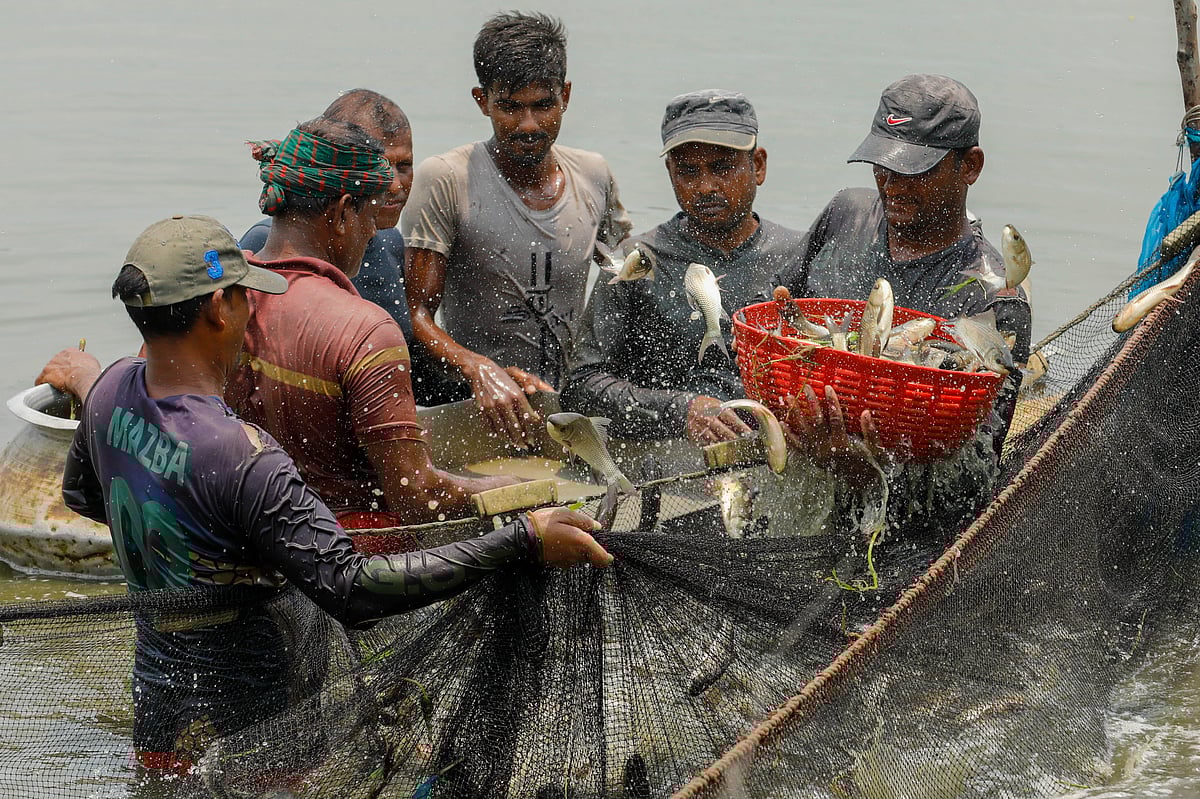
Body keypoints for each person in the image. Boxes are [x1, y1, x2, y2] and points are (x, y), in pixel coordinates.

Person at [59, 214, 611, 769]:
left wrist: (191, 541)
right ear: (215, 310)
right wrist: (522, 539)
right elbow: (352, 589)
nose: (252, 308)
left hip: (159, 708)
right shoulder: (243, 456)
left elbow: (83, 495)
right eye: (244, 297)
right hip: (258, 727)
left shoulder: (107, 392)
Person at [43, 117, 512, 528]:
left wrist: (89, 380)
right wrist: (517, 490)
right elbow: (417, 497)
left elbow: (153, 413)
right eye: (370, 216)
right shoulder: (365, 331)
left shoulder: (210, 299)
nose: (373, 232)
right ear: (343, 211)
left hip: (230, 545)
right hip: (344, 560)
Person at [780, 74, 1033, 537]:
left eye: (915, 170)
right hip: (804, 484)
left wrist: (863, 472)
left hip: (907, 539)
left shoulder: (993, 300)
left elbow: (972, 475)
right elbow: (773, 318)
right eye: (882, 166)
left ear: (970, 166)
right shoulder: (844, 215)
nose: (891, 186)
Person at [402, 11, 632, 449]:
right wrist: (478, 370)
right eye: (510, 107)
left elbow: (622, 286)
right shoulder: (448, 180)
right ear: (481, 100)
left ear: (565, 96)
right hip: (472, 407)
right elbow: (420, 319)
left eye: (542, 105)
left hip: (566, 410)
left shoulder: (594, 176)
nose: (528, 125)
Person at [561, 90, 806, 445]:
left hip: (771, 462)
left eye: (722, 168)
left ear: (759, 166)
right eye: (688, 172)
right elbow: (581, 388)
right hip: (669, 473)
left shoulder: (797, 256)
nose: (705, 187)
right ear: (670, 173)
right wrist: (680, 411)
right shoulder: (639, 262)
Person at [239, 89, 435, 396]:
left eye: (404, 166)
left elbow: (410, 371)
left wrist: (478, 371)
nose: (394, 185)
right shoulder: (269, 247)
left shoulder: (391, 244)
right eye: (381, 168)